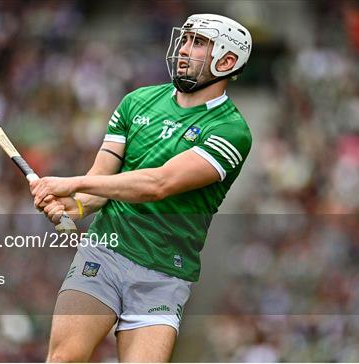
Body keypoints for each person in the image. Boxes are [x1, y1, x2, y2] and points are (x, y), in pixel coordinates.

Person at [30, 13, 253, 362]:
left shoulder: (231, 131)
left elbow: (158, 184)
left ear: (226, 61)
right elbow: (99, 184)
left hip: (164, 272)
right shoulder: (136, 103)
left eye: (199, 44)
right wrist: (74, 205)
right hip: (104, 253)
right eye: (185, 39)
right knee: (63, 359)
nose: (184, 49)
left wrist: (73, 182)